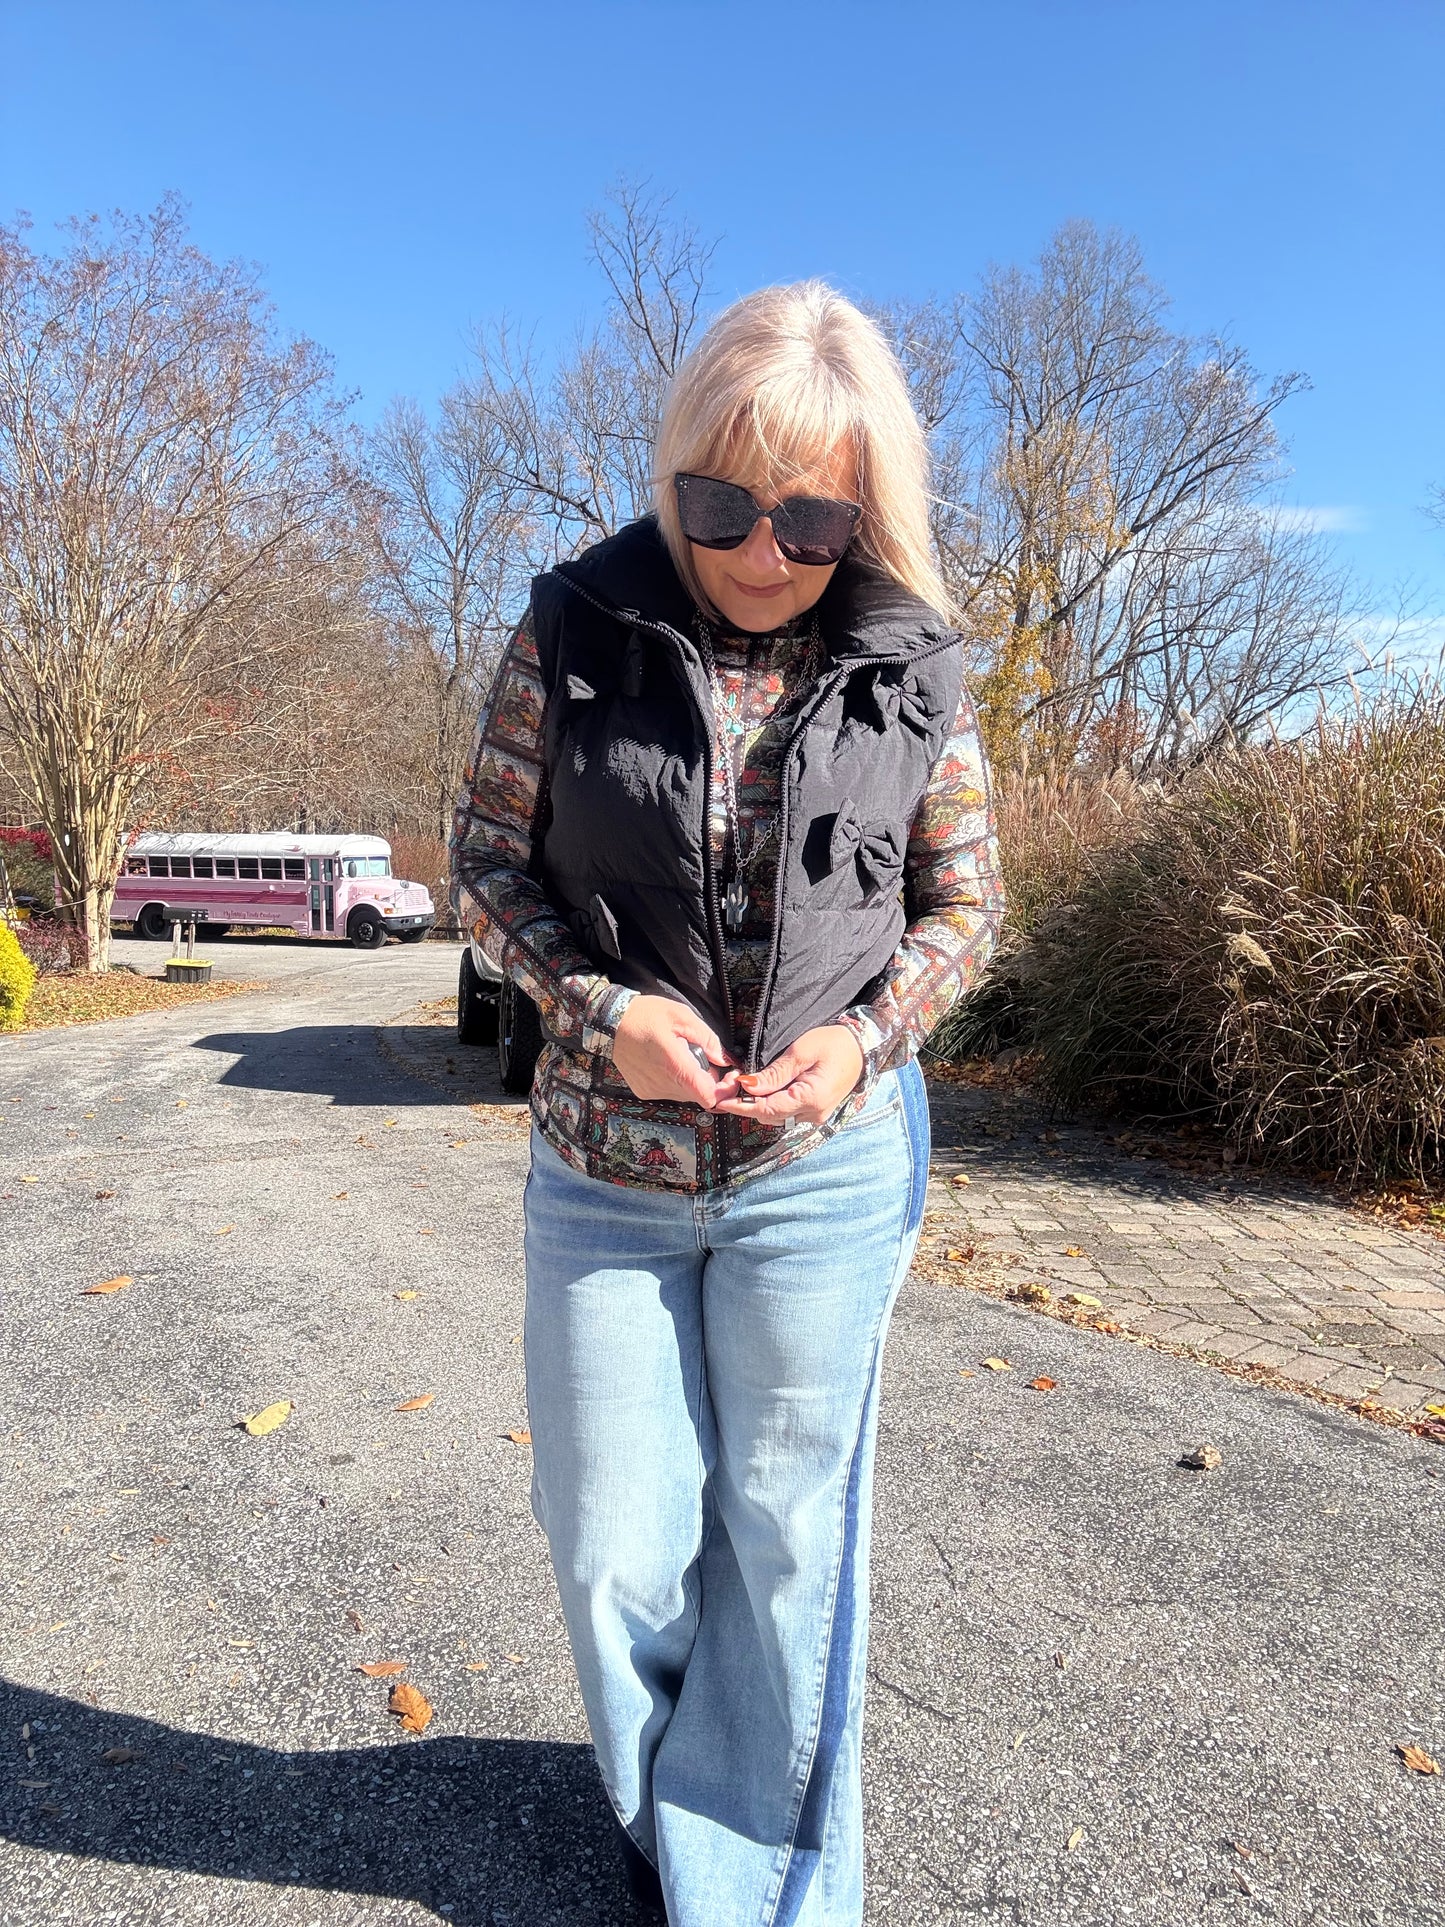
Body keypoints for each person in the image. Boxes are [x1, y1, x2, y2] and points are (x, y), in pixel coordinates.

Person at [450, 280, 1004, 1927]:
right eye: (722, 507)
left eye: (813, 517)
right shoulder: (573, 626)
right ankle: (681, 1811)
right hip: (605, 1170)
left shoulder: (914, 667)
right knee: (612, 1538)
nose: (765, 553)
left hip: (822, 1174)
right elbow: (482, 869)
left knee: (787, 1537)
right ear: (674, 473)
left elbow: (964, 908)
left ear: (865, 507)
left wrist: (865, 1042)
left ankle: (761, 1884)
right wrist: (600, 1009)